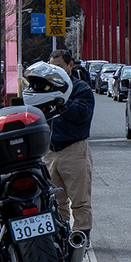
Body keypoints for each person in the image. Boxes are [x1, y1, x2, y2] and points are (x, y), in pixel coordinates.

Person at [46, 49, 95, 242]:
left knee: (80, 199)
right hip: (49, 150)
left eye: (59, 67)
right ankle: (60, 232)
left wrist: (61, 102)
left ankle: (81, 235)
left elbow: (83, 114)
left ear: (70, 66)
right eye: (51, 68)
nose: (55, 71)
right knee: (54, 200)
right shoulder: (45, 89)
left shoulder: (81, 88)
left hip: (74, 149)